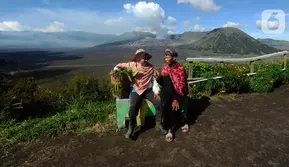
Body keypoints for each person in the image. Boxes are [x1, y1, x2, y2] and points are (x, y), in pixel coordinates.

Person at [112, 49, 167, 139]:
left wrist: (156, 91)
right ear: (137, 58)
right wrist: (116, 71)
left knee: (159, 103)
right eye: (142, 56)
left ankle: (158, 125)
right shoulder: (131, 65)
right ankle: (131, 128)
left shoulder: (151, 67)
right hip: (136, 89)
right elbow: (119, 65)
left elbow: (154, 80)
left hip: (148, 90)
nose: (144, 58)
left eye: (145, 56)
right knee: (133, 107)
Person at [156, 49, 189, 142]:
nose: (165, 59)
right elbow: (163, 84)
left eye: (167, 57)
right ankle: (170, 129)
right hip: (167, 93)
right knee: (165, 105)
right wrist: (158, 77)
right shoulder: (165, 68)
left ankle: (183, 121)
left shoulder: (180, 69)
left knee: (175, 106)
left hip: (179, 93)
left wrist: (176, 99)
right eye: (165, 57)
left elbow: (181, 86)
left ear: (174, 58)